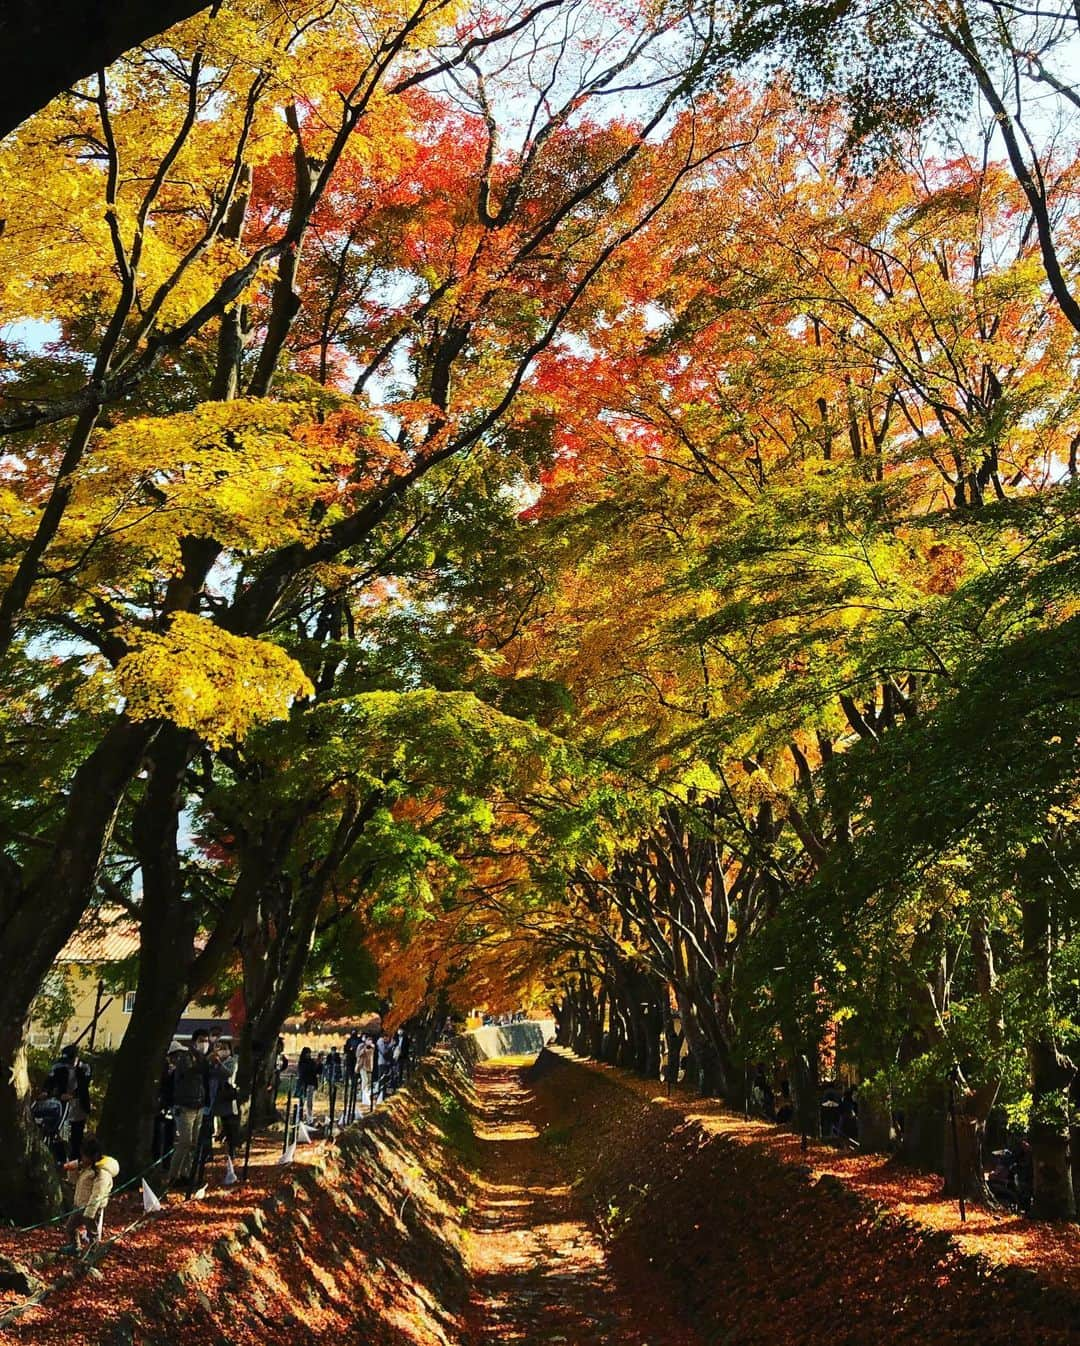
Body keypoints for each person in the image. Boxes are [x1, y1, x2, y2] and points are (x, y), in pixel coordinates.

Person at [168, 1030, 211, 1188]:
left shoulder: (203, 1059)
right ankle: (173, 1176)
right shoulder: (186, 1057)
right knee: (185, 1141)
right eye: (201, 1040)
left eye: (206, 1040)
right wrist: (206, 1061)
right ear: (194, 1041)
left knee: (193, 1144)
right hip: (184, 1106)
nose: (204, 1043)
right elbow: (191, 1071)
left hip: (199, 1106)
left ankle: (187, 1174)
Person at [65, 1134, 119, 1248]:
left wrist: (90, 1212)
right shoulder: (87, 1168)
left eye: (84, 1156)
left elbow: (98, 1194)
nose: (82, 1159)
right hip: (79, 1205)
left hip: (91, 1209)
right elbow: (74, 1181)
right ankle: (74, 1246)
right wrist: (72, 1169)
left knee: (92, 1233)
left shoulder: (102, 1173)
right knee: (70, 1227)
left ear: (93, 1156)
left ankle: (93, 1250)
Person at [47, 1044, 92, 1160]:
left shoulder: (85, 1067)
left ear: (76, 1058)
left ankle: (75, 1161)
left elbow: (83, 1086)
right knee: (63, 1134)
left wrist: (72, 1095)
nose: (68, 1063)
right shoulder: (58, 1067)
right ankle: (61, 1160)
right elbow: (50, 1082)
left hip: (79, 1107)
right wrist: (50, 1093)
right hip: (63, 1108)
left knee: (77, 1137)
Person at [210, 1038, 242, 1165]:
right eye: (220, 1048)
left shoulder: (232, 1062)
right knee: (211, 1126)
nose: (222, 1050)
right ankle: (209, 1152)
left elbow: (228, 1074)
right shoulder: (213, 1062)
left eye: (225, 1048)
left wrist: (218, 1063)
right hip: (215, 1098)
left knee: (229, 1127)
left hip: (227, 1098)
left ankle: (231, 1152)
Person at [296, 1047, 319, 1125]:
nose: (308, 1055)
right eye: (307, 1053)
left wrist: (318, 1064)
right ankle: (299, 1118)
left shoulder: (312, 1062)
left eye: (309, 1053)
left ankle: (309, 1119)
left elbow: (317, 1071)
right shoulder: (302, 1062)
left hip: (311, 1084)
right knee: (301, 1102)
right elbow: (304, 1071)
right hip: (303, 1083)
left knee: (310, 1103)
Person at [357, 1035, 375, 1106]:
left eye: (370, 1040)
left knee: (369, 1082)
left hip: (369, 1066)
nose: (369, 1041)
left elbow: (371, 1052)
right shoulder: (361, 1046)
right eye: (368, 1040)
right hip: (362, 1065)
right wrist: (364, 1048)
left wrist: (369, 1046)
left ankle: (367, 1095)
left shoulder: (372, 1046)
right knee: (365, 1080)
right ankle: (363, 1095)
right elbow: (358, 1054)